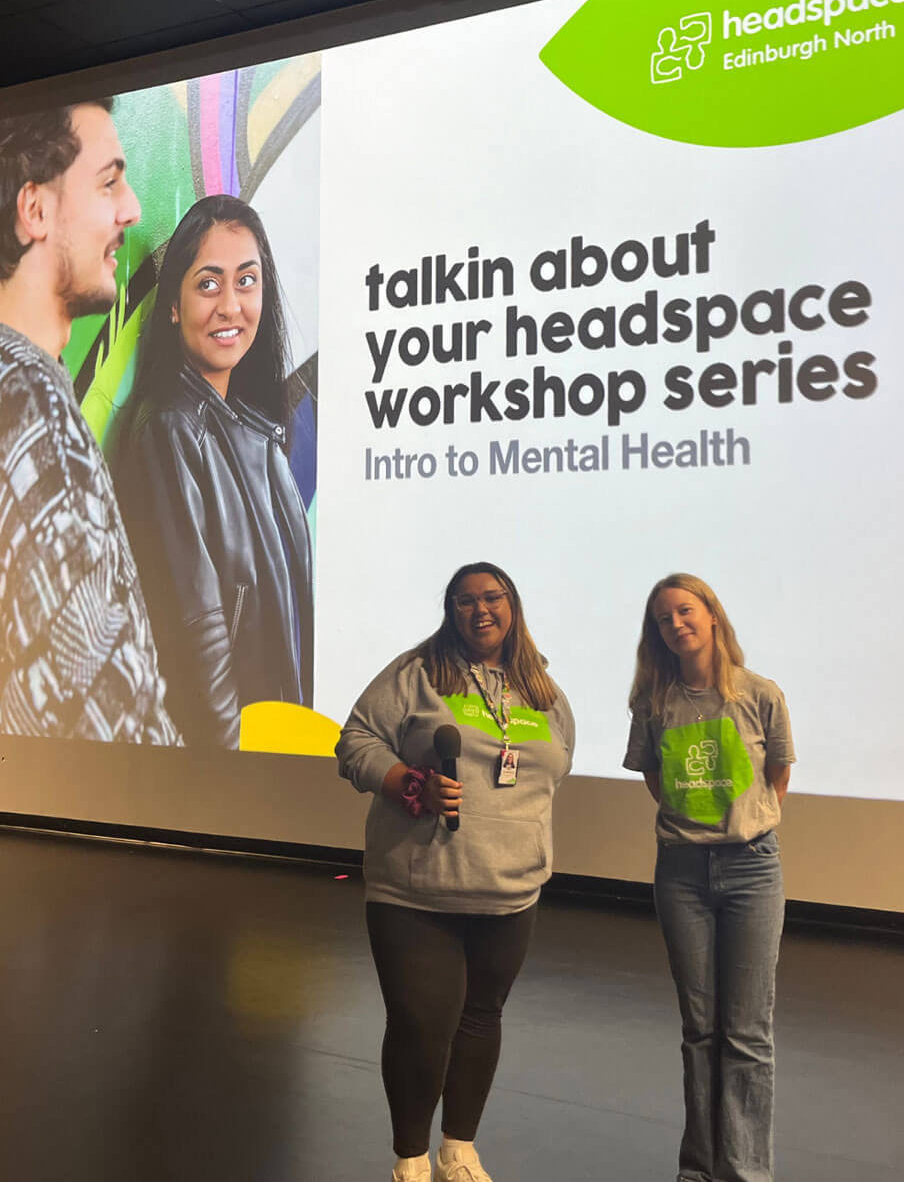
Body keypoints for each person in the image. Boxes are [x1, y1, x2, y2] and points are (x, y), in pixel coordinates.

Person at [337, 562, 575, 1182]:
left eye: (492, 597)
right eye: (464, 601)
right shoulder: (416, 674)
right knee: (420, 1024)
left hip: (510, 890)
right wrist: (408, 783)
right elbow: (355, 741)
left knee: (480, 1018)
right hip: (417, 888)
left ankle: (459, 1149)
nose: (480, 610)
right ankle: (411, 1158)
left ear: (513, 606)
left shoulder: (541, 689)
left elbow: (556, 764)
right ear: (450, 611)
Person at [0, 99, 178, 744]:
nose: (131, 209)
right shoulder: (33, 398)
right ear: (35, 211)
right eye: (108, 183)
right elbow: (106, 709)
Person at [118, 194, 314, 749]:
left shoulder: (259, 434)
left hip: (276, 751)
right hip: (233, 771)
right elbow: (197, 633)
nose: (231, 305)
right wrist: (234, 774)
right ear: (174, 305)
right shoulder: (171, 429)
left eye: (246, 281)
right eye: (208, 283)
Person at [623, 573, 795, 1182]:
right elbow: (651, 776)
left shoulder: (760, 694)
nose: (676, 625)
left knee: (748, 1032)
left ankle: (745, 1171)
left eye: (685, 611)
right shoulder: (653, 701)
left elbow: (776, 774)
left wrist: (740, 824)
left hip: (753, 869)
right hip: (682, 874)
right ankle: (698, 1169)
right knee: (700, 1031)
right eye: (663, 618)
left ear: (712, 615)